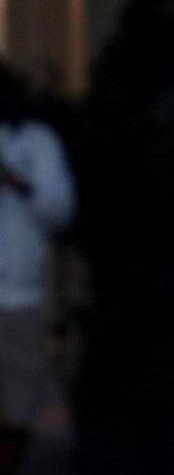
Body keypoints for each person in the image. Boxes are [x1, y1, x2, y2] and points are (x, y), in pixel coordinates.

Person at [0, 63, 75, 474]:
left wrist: (17, 181)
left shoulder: (37, 142)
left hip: (20, 295)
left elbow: (59, 209)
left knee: (19, 397)